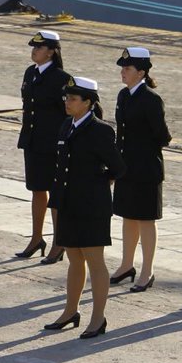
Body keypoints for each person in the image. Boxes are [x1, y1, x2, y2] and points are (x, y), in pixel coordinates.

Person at [43, 77, 126, 338]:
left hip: (91, 207)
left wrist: (96, 184)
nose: (67, 102)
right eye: (66, 97)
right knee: (74, 260)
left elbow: (118, 167)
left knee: (95, 262)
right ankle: (70, 311)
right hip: (68, 203)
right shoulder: (66, 125)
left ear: (88, 102)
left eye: (73, 99)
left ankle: (98, 318)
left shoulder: (100, 130)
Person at [109, 48, 172, 292]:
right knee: (128, 216)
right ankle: (126, 265)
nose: (122, 72)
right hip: (127, 167)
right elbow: (121, 134)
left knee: (146, 219)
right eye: (122, 68)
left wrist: (141, 150)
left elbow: (162, 136)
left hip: (146, 168)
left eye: (127, 69)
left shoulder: (151, 99)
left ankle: (147, 270)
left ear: (141, 73)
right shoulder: (124, 95)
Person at [16, 30, 73, 263]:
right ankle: (37, 237)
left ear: (51, 52)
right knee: (37, 189)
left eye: (39, 48)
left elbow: (70, 113)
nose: (34, 51)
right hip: (33, 140)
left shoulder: (62, 79)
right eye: (34, 47)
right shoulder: (31, 72)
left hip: (52, 144)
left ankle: (59, 242)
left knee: (55, 194)